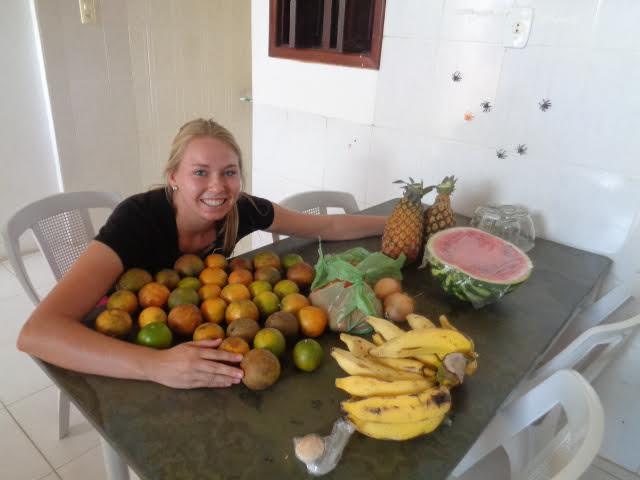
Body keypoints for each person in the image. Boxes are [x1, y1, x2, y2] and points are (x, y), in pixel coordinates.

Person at [17, 118, 387, 389]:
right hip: (128, 351)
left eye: (229, 172)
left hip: (203, 342)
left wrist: (392, 222)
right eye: (199, 172)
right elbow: (37, 332)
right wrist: (155, 365)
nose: (218, 186)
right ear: (173, 177)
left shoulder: (241, 210)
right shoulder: (136, 219)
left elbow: (328, 226)